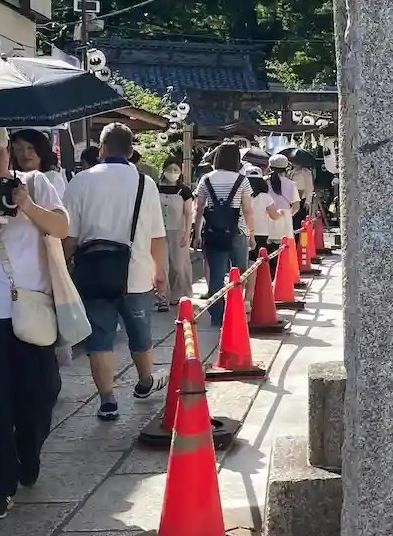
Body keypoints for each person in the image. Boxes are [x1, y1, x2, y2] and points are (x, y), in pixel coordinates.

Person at [0, 127, 69, 517]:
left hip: (30, 309)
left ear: (8, 152)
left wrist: (27, 206)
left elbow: (62, 229)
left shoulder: (36, 185)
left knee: (41, 394)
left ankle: (26, 453)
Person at [63, 123, 167, 422]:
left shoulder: (80, 181)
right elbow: (157, 236)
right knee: (140, 334)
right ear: (131, 151)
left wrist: (62, 267)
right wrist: (160, 272)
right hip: (136, 275)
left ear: (101, 149)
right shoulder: (145, 183)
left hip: (93, 274)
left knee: (99, 338)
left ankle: (107, 401)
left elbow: (69, 237)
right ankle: (145, 382)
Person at [193, 142, 254, 328]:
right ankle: (234, 311)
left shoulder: (206, 179)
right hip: (237, 232)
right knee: (240, 273)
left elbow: (199, 209)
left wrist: (196, 234)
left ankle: (217, 316)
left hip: (213, 233)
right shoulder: (242, 180)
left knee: (216, 276)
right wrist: (251, 233)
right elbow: (248, 210)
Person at [156, 157, 194, 307]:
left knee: (178, 267)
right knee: (161, 265)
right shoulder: (155, 188)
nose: (172, 173)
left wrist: (187, 234)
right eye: (169, 169)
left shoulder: (184, 191)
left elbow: (189, 213)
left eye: (175, 170)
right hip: (158, 232)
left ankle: (178, 295)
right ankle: (162, 297)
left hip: (178, 231)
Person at [11, 128, 69, 200]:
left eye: (30, 148)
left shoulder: (52, 178)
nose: (25, 153)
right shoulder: (10, 180)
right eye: (19, 149)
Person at [266, 153, 301, 263]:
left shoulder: (264, 182)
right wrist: (287, 215)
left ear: (270, 167)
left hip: (266, 221)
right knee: (284, 256)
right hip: (284, 223)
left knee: (267, 256)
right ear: (286, 168)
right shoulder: (291, 184)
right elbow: (296, 206)